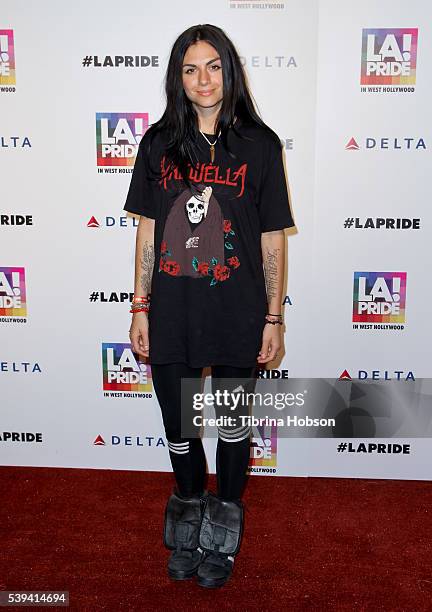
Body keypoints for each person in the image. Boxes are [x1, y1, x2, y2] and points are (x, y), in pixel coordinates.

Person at [124, 23, 295, 589]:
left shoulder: (261, 144)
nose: (203, 79)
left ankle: (222, 529)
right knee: (178, 426)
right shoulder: (157, 143)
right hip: (171, 310)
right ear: (178, 76)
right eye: (190, 68)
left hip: (238, 312)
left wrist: (273, 316)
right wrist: (139, 306)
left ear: (231, 69)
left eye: (213, 66)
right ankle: (189, 514)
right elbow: (148, 233)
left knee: (230, 428)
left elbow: (272, 238)